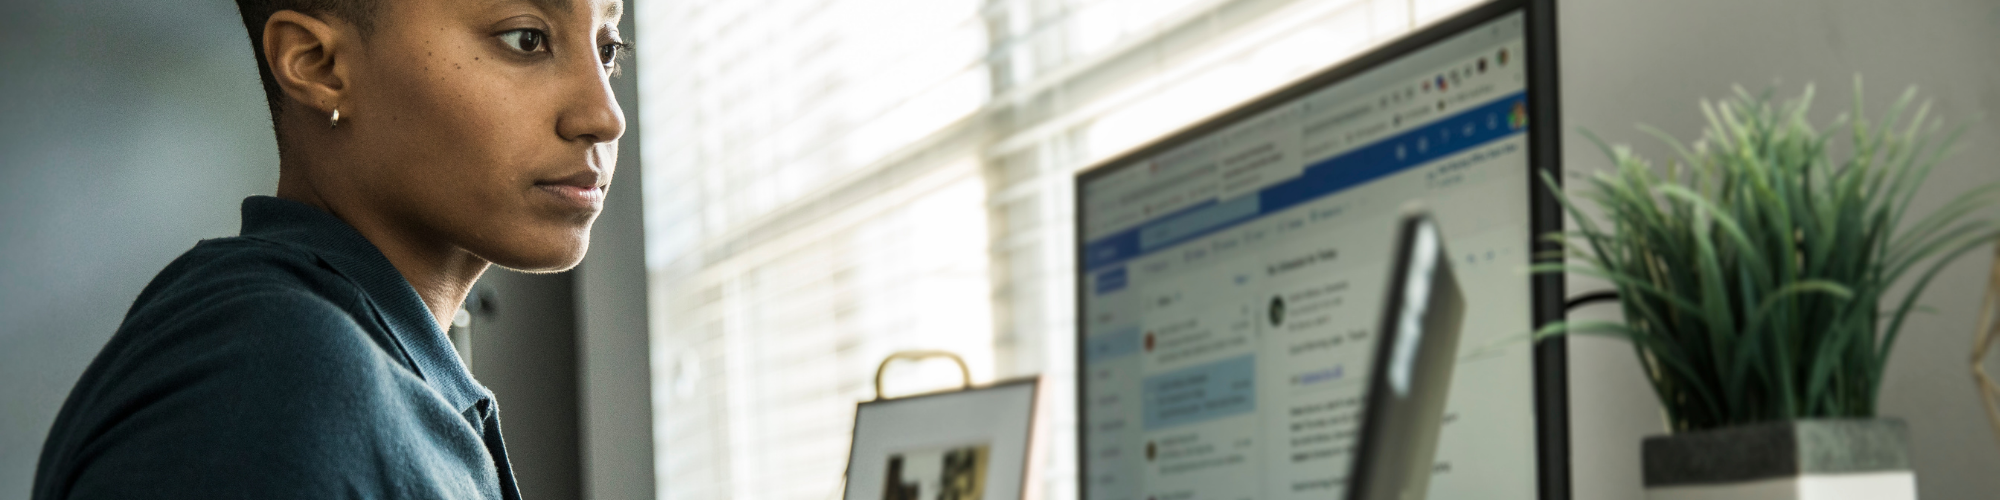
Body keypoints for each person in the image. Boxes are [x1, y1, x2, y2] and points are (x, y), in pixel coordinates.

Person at [31, 0, 626, 497]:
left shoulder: (363, 370)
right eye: (526, 39)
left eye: (607, 50)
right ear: (318, 64)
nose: (605, 116)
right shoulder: (270, 373)